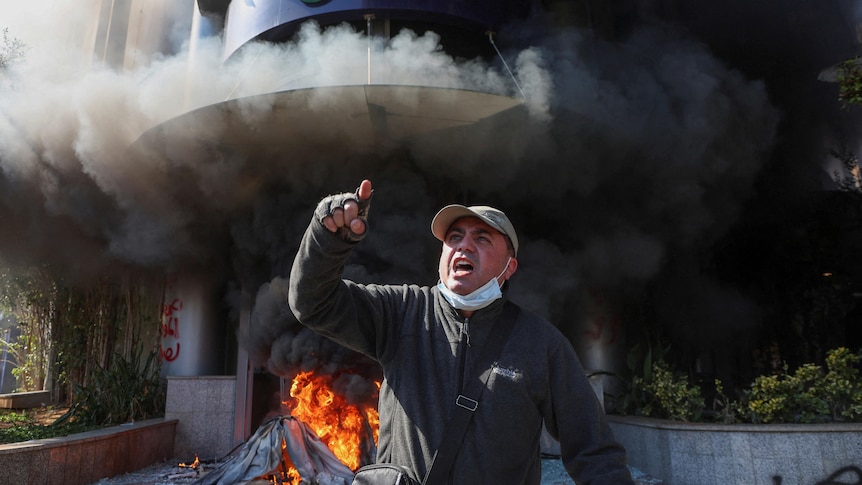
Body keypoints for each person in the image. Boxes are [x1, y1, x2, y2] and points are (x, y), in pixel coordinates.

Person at [288, 179, 634, 484]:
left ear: (509, 267)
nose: (464, 246)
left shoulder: (541, 343)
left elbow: (594, 450)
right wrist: (327, 239)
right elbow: (312, 303)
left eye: (481, 238)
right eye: (455, 237)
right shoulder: (402, 312)